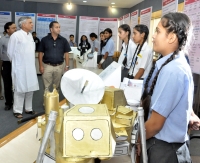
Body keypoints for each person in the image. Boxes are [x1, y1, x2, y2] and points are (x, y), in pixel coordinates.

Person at [139, 12, 194, 162]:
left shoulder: (173, 70)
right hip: (161, 145)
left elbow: (156, 124)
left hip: (165, 150)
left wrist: (137, 140)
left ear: (172, 37)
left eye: (158, 31)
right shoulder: (168, 63)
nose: (153, 36)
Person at [7, 17, 39, 118]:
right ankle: (17, 110)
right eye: (30, 22)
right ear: (23, 24)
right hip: (20, 68)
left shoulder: (29, 35)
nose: (32, 24)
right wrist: (18, 63)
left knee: (30, 88)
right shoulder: (16, 36)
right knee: (20, 89)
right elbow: (10, 53)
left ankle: (28, 108)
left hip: (30, 67)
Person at [38, 21, 71, 91]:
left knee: (57, 87)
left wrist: (67, 65)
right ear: (51, 29)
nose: (59, 29)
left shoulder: (63, 40)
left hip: (59, 66)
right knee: (46, 87)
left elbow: (66, 53)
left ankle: (55, 102)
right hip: (47, 66)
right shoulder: (44, 40)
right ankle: (46, 102)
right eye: (56, 27)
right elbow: (40, 53)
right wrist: (40, 65)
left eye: (59, 27)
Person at [0, 22, 16, 110]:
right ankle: (8, 103)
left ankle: (17, 102)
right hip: (6, 64)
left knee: (17, 84)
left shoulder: (18, 38)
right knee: (7, 84)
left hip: (17, 64)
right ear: (7, 30)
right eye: (13, 28)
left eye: (15, 27)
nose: (15, 29)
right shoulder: (3, 39)